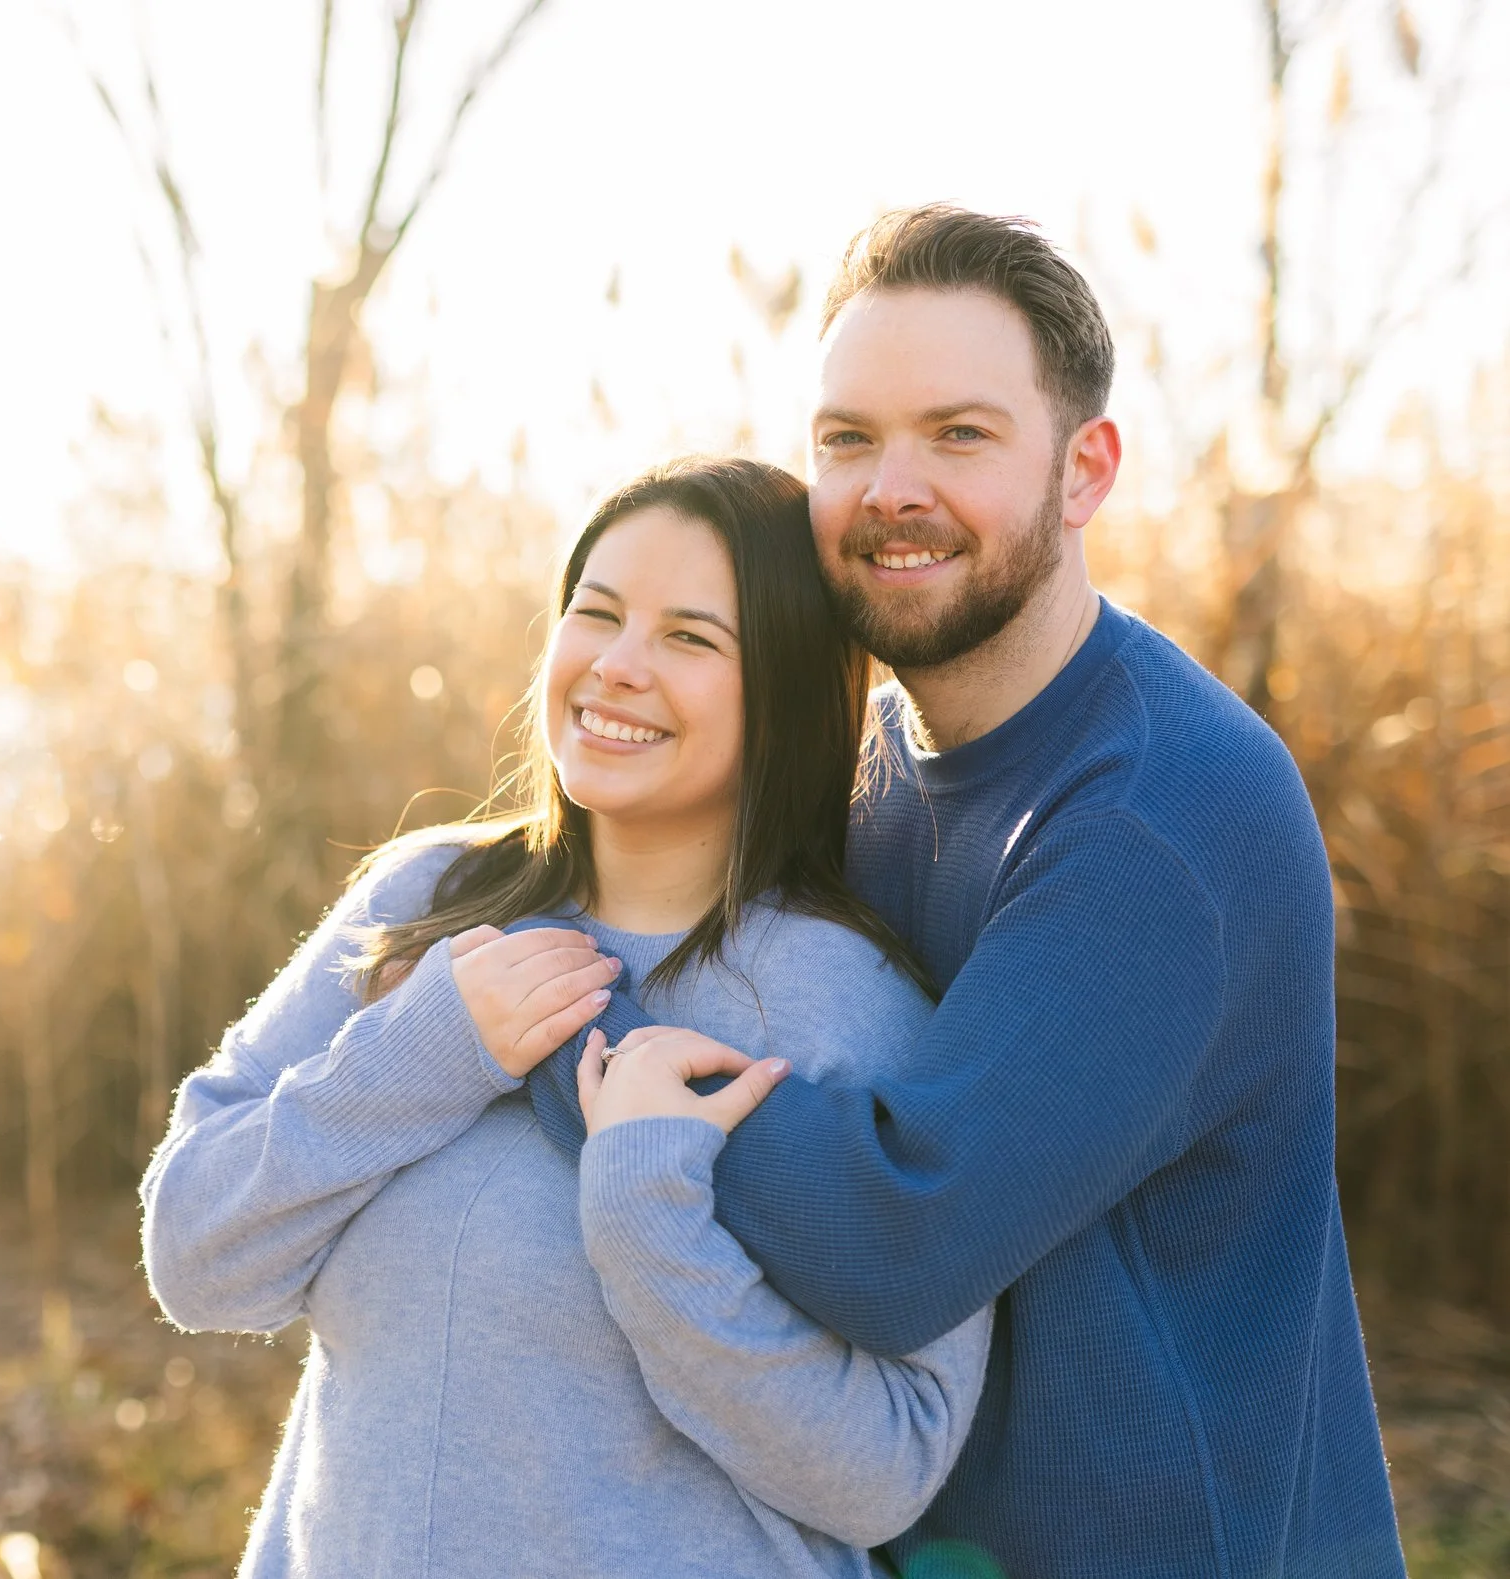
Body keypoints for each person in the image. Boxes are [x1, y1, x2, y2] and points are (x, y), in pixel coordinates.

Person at [602, 207, 1404, 1577]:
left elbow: (896, 1229)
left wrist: (566, 1026)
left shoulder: (1160, 812)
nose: (889, 488)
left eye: (958, 435)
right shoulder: (875, 769)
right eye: (847, 439)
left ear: (1085, 469)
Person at [140, 456, 991, 1577]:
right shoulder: (424, 904)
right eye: (596, 613)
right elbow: (195, 1253)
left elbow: (884, 1470)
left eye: (691, 638)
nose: (617, 666)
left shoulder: (847, 1004)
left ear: (784, 689)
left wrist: (650, 1222)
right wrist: (423, 1050)